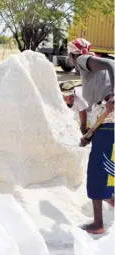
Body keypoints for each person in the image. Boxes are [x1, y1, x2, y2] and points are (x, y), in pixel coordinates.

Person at [68, 38, 114, 234]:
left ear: (72, 55)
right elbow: (96, 110)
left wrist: (113, 94)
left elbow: (112, 62)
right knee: (108, 167)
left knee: (96, 172)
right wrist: (89, 134)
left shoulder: (82, 60)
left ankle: (98, 224)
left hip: (109, 120)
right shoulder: (92, 73)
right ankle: (112, 201)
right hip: (105, 124)